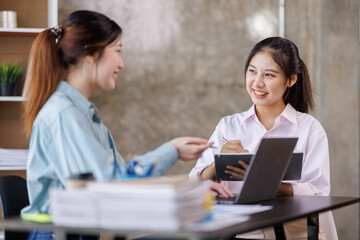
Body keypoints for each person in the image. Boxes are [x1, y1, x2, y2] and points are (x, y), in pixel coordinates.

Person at [21, 10, 232, 240]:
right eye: (118, 51)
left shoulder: (84, 114)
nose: (121, 63)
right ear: (91, 53)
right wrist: (171, 151)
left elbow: (125, 180)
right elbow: (108, 185)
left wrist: (190, 190)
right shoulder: (63, 114)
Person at [189, 37, 337, 239]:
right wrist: (218, 163)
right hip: (240, 230)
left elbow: (319, 192)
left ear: (291, 80)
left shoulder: (309, 129)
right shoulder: (228, 126)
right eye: (252, 71)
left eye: (269, 74)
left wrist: (269, 183)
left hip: (292, 230)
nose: (257, 82)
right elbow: (194, 184)